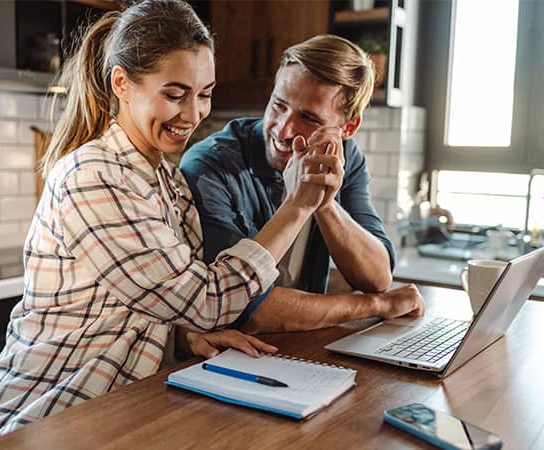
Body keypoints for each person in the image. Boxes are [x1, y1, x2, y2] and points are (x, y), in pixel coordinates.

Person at [0, 1, 326, 447]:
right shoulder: (93, 176)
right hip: (34, 422)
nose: (193, 114)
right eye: (174, 94)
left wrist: (186, 339)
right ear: (122, 84)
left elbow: (143, 309)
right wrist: (297, 206)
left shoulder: (166, 181)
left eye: (204, 93)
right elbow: (206, 300)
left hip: (104, 420)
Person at [179, 34, 424, 339]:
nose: (283, 129)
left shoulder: (344, 158)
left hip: (302, 347)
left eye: (308, 118)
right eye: (278, 105)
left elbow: (377, 276)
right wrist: (373, 306)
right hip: (225, 356)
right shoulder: (211, 165)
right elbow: (241, 308)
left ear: (347, 128)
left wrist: (325, 203)